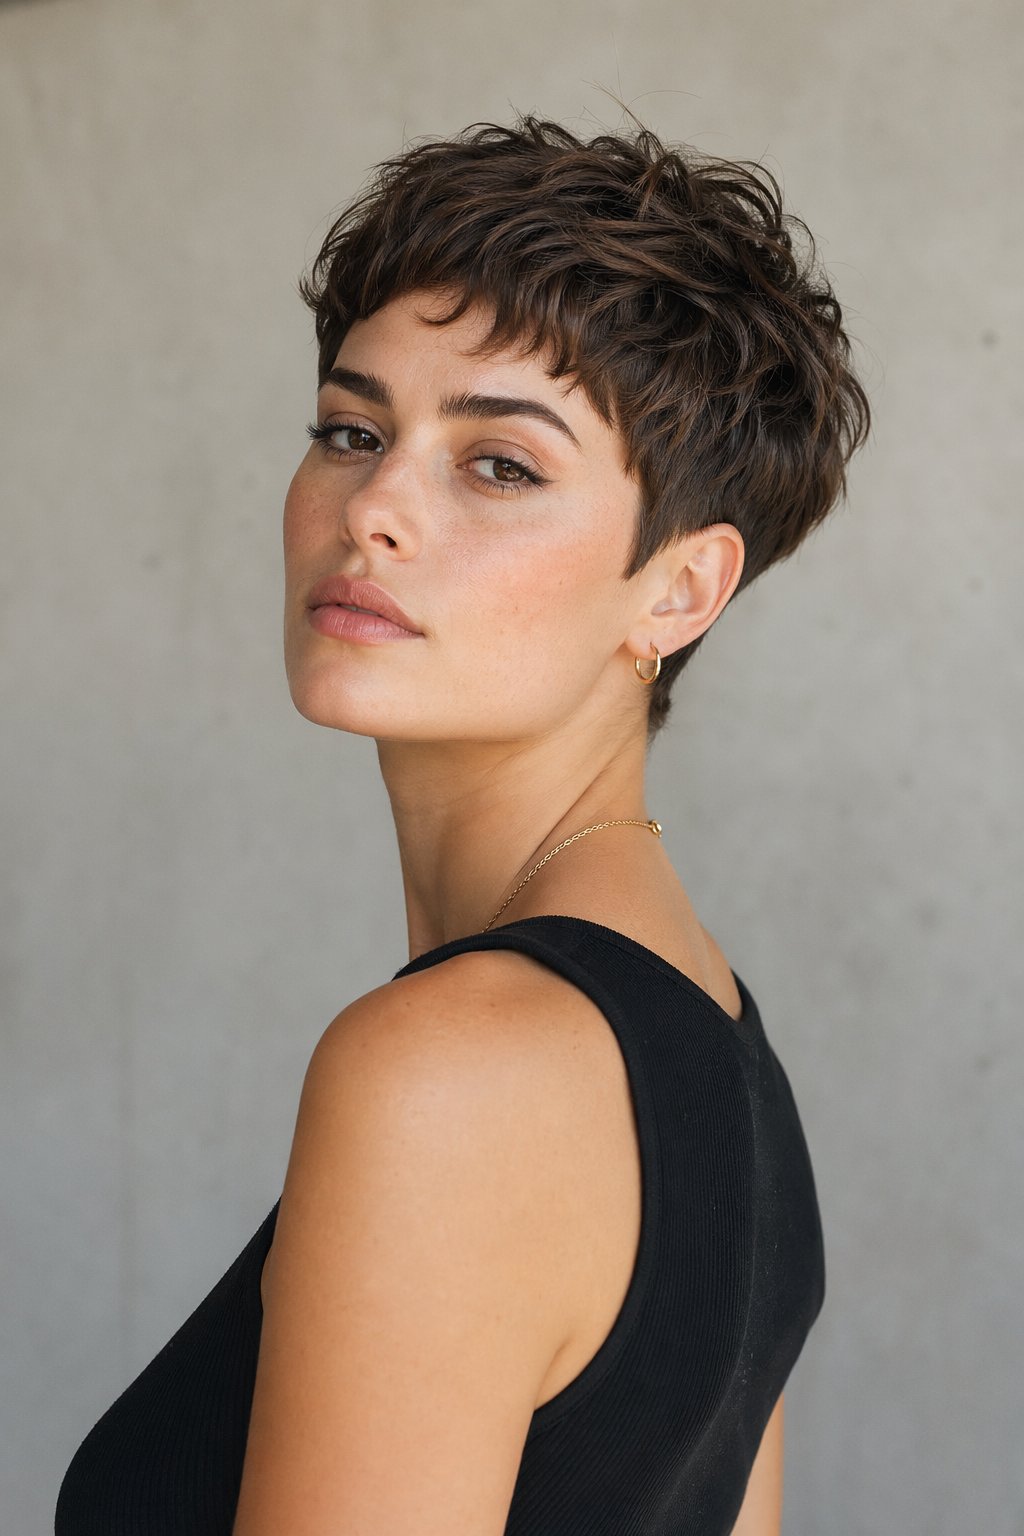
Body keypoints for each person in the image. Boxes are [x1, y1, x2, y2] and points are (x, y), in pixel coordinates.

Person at [55, 113, 869, 1535]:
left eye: (500, 465)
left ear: (677, 591)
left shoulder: (446, 1073)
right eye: (351, 430)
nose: (372, 506)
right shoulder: (724, 1052)